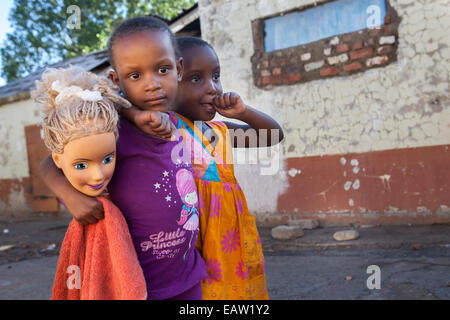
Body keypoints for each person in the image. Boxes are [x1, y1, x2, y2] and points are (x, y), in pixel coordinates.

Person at [38, 17, 206, 300]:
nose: (152, 85)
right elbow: (47, 164)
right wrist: (73, 197)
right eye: (135, 76)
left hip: (186, 275)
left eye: (162, 69)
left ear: (178, 69)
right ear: (116, 80)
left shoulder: (182, 123)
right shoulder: (110, 130)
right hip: (136, 283)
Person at [128, 36, 284, 299]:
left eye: (216, 76)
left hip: (230, 236)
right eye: (196, 79)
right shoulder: (164, 126)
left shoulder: (219, 131)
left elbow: (271, 135)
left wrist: (243, 113)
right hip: (192, 237)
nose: (213, 88)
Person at [32, 66, 147, 299]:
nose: (97, 176)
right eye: (81, 165)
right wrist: (70, 196)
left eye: (107, 159)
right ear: (58, 160)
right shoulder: (76, 195)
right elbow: (45, 165)